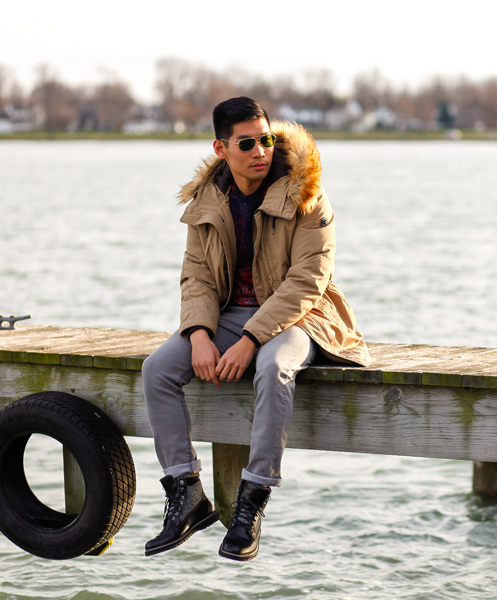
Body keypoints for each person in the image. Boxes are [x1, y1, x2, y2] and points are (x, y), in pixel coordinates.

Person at [142, 96, 369, 561]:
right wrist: (199, 334)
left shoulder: (307, 192)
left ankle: (252, 502)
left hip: (303, 316)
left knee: (273, 367)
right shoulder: (208, 200)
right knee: (157, 369)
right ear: (221, 148)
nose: (260, 150)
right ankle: (186, 493)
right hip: (230, 314)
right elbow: (197, 275)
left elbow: (308, 281)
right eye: (246, 143)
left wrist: (249, 340)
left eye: (265, 139)